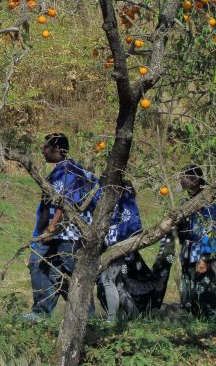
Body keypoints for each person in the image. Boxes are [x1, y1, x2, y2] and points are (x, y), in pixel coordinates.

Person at [26, 132, 98, 320]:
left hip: (69, 234)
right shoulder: (56, 171)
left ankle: (86, 317)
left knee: (75, 274)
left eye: (46, 147)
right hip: (52, 233)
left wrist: (53, 227)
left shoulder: (73, 170)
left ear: (57, 148)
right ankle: (41, 313)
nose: (42, 151)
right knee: (37, 263)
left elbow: (68, 203)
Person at [177, 165, 216, 318]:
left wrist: (203, 259)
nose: (181, 180)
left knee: (205, 294)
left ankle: (213, 329)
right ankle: (197, 327)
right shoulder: (184, 203)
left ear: (195, 180)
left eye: (184, 177)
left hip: (204, 257)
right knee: (189, 295)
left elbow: (211, 232)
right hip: (188, 254)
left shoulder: (207, 203)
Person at [97, 182, 142, 322]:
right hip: (112, 245)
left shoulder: (126, 199)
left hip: (119, 246)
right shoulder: (112, 197)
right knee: (117, 285)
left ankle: (111, 320)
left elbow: (135, 226)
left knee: (108, 281)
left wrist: (126, 246)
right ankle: (137, 317)